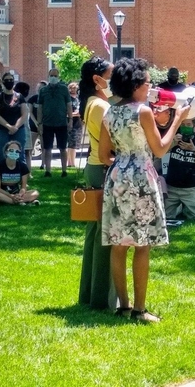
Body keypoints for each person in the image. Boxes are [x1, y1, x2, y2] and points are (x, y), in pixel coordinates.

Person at [99, 57, 190, 322]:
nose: (150, 86)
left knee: (119, 244)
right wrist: (176, 120)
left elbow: (105, 155)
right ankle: (140, 310)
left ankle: (123, 307)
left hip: (117, 177)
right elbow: (160, 148)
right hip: (141, 175)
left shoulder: (110, 112)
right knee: (142, 244)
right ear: (136, 84)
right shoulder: (143, 111)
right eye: (148, 82)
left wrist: (124, 162)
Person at [78, 56, 115, 311]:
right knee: (105, 235)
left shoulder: (92, 102)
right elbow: (112, 142)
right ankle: (102, 299)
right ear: (97, 79)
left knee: (94, 234)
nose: (115, 81)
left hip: (94, 168)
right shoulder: (101, 106)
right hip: (102, 169)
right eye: (111, 76)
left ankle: (89, 294)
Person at [165, 118, 195, 220]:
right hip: (172, 187)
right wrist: (173, 143)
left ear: (194, 127)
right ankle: (179, 208)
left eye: (188, 124)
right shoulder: (174, 139)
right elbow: (159, 153)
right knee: (166, 217)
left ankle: (184, 207)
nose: (185, 127)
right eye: (183, 125)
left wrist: (194, 149)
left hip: (190, 188)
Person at [37, 68, 72, 177]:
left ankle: (64, 171)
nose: (53, 77)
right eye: (52, 75)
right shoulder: (43, 91)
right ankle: (48, 171)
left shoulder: (64, 89)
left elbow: (69, 105)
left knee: (62, 148)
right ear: (48, 76)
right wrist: (39, 123)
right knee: (47, 148)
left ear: (58, 77)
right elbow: (39, 108)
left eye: (55, 76)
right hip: (47, 123)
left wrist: (70, 119)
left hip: (61, 123)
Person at [0, 72, 28, 164]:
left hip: (18, 129)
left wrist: (15, 127)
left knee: (19, 153)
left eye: (11, 80)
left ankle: (21, 175)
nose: (9, 82)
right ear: (3, 82)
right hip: (1, 129)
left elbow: (24, 114)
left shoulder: (20, 97)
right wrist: (8, 126)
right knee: (1, 153)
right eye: (7, 80)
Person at [0, 141, 39, 205]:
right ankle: (18, 202)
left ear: (19, 153)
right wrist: (11, 196)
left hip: (15, 191)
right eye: (11, 150)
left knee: (35, 192)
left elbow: (23, 187)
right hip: (1, 192)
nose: (14, 152)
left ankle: (12, 201)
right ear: (6, 152)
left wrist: (19, 195)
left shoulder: (23, 166)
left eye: (17, 151)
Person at [13, 82, 33, 172]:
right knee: (24, 152)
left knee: (26, 152)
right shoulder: (16, 102)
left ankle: (27, 172)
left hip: (24, 128)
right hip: (21, 129)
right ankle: (25, 172)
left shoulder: (22, 101)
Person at [27, 81, 47, 170]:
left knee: (44, 146)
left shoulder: (47, 99)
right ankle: (29, 165)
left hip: (45, 125)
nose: (39, 89)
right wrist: (36, 123)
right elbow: (30, 112)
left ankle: (43, 164)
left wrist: (41, 124)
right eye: (38, 87)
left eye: (41, 88)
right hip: (33, 124)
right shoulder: (32, 98)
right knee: (30, 147)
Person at [67, 82, 83, 168]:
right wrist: (74, 114)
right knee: (70, 144)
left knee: (75, 144)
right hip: (70, 123)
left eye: (75, 88)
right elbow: (65, 113)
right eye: (71, 88)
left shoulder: (79, 99)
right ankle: (70, 164)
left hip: (78, 123)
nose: (73, 90)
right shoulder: (68, 99)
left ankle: (72, 162)